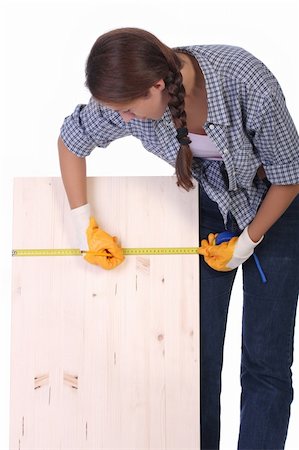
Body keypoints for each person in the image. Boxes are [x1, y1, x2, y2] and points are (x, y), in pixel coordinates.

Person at [58, 27, 299, 449]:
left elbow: (289, 177)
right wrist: (85, 226)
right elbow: (71, 141)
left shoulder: (245, 80)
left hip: (274, 207)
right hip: (207, 204)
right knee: (197, 359)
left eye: (130, 111)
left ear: (156, 87)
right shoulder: (128, 102)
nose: (124, 121)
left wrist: (248, 241)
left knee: (266, 361)